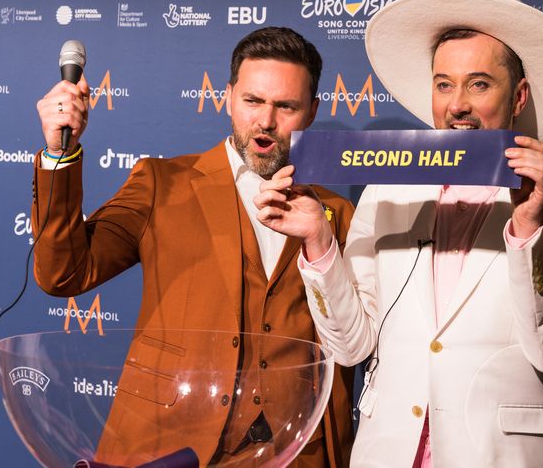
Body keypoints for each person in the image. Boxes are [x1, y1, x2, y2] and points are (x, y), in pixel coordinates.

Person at [255, 0, 543, 467]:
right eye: (444, 84)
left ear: (518, 95)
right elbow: (351, 345)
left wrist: (527, 227)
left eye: (479, 84)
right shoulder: (388, 188)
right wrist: (318, 242)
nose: (457, 104)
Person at [31, 27, 354, 467]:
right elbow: (63, 273)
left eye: (286, 106)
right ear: (227, 96)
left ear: (312, 111)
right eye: (253, 101)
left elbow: (354, 337)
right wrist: (58, 157)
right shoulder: (161, 185)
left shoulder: (337, 213)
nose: (266, 121)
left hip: (297, 451)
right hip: (171, 445)